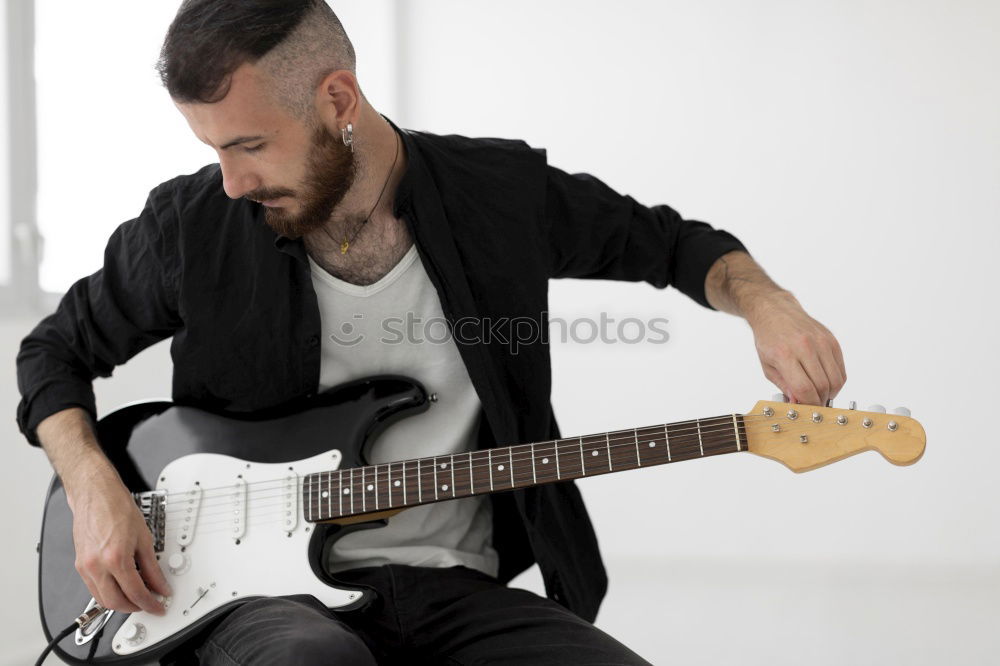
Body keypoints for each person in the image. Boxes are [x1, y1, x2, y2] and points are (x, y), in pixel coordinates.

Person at [16, 1, 846, 664]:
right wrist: (95, 490)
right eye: (214, 150)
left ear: (337, 100)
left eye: (250, 145)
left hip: (454, 588)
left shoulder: (498, 195)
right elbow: (52, 353)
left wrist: (767, 303)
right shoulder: (191, 224)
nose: (231, 182)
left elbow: (672, 244)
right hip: (255, 600)